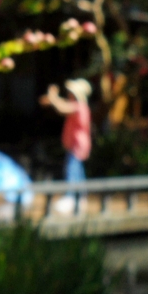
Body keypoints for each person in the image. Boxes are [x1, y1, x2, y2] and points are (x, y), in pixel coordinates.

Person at [40, 78, 93, 214]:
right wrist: (53, 99)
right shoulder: (77, 105)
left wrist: (53, 97)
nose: (69, 94)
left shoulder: (79, 106)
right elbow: (62, 105)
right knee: (78, 171)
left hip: (77, 146)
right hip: (75, 146)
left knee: (72, 170)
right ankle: (81, 198)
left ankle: (71, 198)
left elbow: (62, 108)